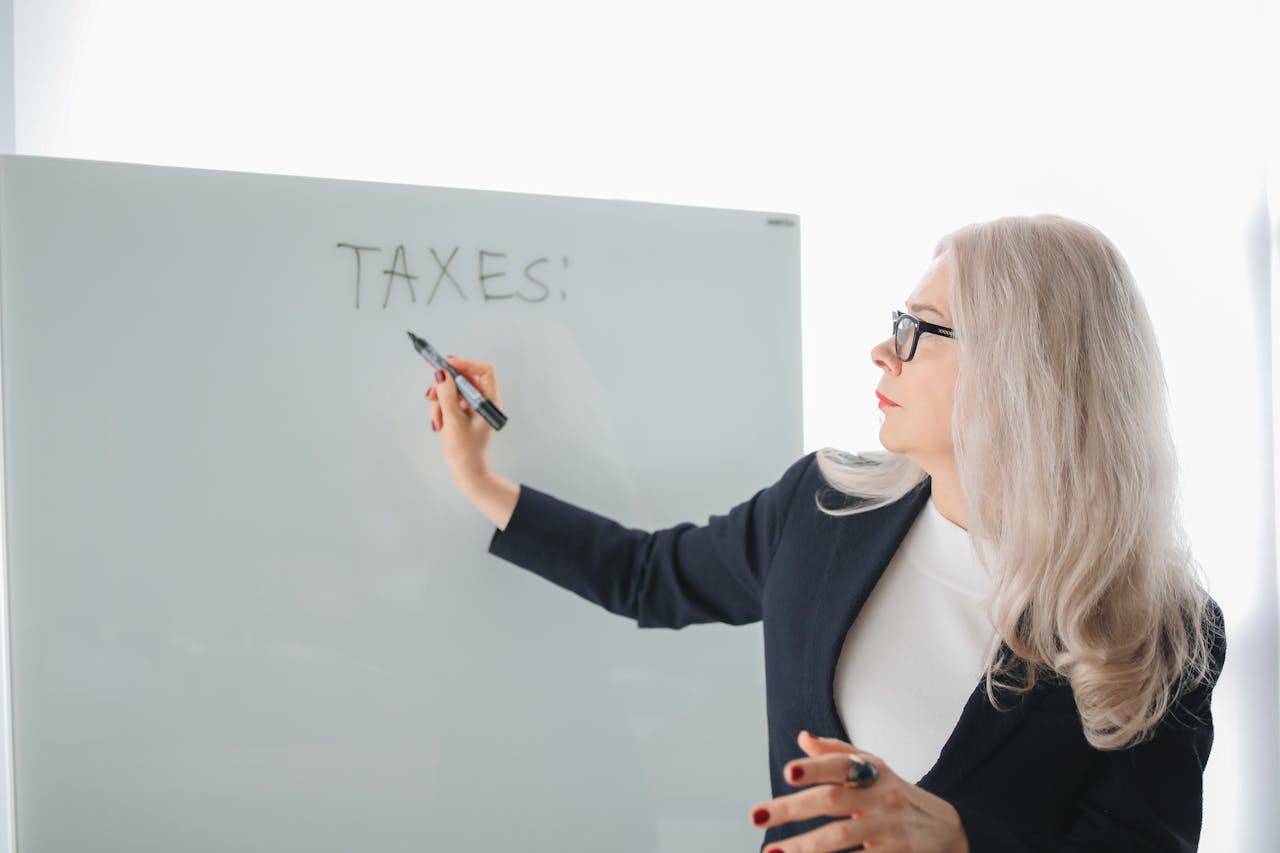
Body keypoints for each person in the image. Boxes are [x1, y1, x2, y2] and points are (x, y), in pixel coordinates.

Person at [423, 214, 1227, 852]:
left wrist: (960, 842)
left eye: (920, 329)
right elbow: (647, 574)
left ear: (1025, 370)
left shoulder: (1159, 629)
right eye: (895, 321)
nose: (884, 349)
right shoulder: (821, 509)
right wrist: (481, 481)